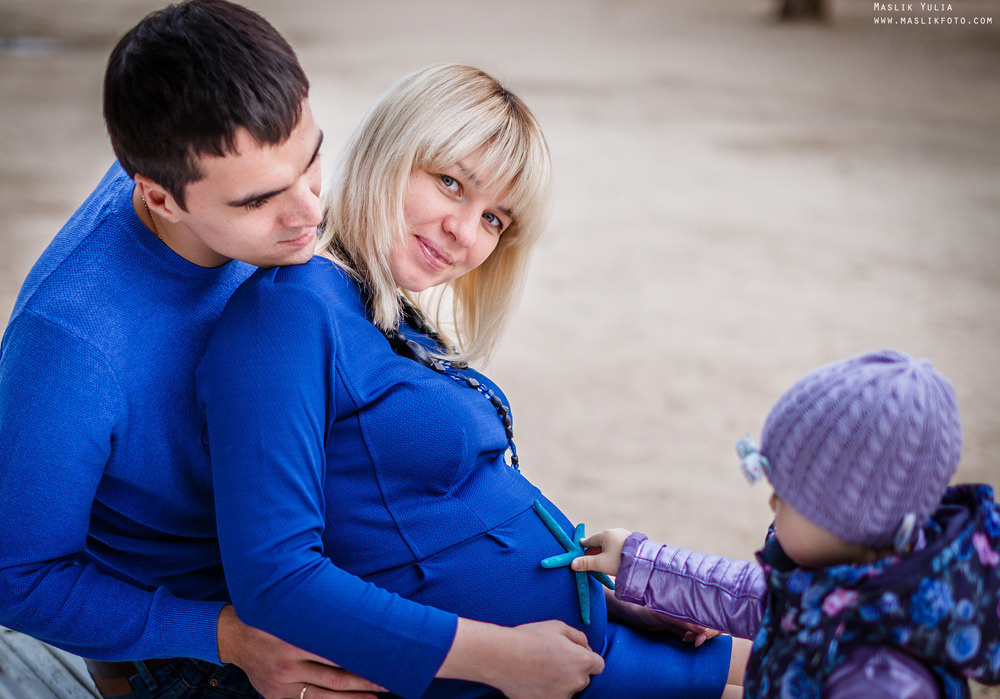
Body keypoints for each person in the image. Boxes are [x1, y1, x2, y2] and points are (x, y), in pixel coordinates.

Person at [197, 63, 750, 699]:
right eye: (451, 183)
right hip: (514, 679)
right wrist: (501, 659)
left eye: (494, 219)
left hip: (594, 645)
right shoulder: (288, 314)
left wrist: (608, 598)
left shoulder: (381, 307)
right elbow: (275, 580)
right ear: (390, 151)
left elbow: (451, 516)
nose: (464, 233)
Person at [0, 2, 386, 697]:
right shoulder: (70, 348)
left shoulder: (225, 172)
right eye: (261, 200)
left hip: (319, 544)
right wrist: (225, 636)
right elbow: (15, 575)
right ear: (158, 197)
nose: (310, 212)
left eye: (312, 159)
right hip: (205, 633)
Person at [572, 350, 1000, 698]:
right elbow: (740, 593)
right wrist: (638, 559)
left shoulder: (883, 672)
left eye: (788, 498)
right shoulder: (829, 573)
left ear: (852, 522)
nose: (773, 500)